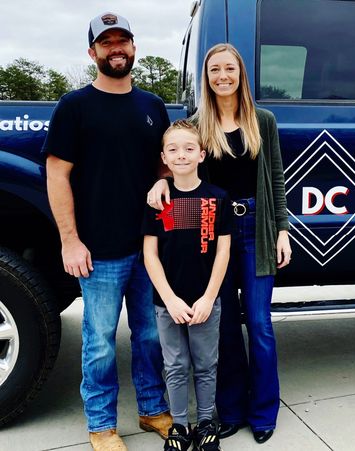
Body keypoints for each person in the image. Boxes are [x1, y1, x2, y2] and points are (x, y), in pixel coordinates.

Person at [147, 43, 291, 444]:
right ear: (206, 77)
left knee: (259, 324)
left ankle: (263, 411)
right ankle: (228, 411)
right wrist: (161, 180)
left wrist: (282, 229)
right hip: (216, 237)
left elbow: (276, 178)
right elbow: (179, 161)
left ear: (241, 73)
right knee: (223, 325)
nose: (223, 76)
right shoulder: (197, 123)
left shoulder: (263, 121)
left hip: (257, 231)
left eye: (230, 68)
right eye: (214, 70)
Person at [44, 12, 171, 451]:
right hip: (98, 251)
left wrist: (162, 179)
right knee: (98, 342)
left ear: (134, 48)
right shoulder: (74, 106)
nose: (116, 48)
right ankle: (101, 425)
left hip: (149, 246)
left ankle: (153, 409)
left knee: (150, 334)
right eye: (107, 42)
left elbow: (163, 166)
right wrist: (69, 239)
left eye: (123, 41)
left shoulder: (153, 106)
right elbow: (57, 175)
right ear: (93, 51)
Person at [143, 120, 233, 451]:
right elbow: (150, 255)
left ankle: (207, 420)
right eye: (174, 149)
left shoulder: (218, 198)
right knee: (175, 365)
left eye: (189, 148)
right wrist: (170, 299)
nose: (181, 155)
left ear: (202, 155)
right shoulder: (157, 202)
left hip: (206, 301)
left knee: (206, 364)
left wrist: (209, 297)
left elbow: (223, 250)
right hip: (168, 304)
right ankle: (180, 425)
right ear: (164, 158)